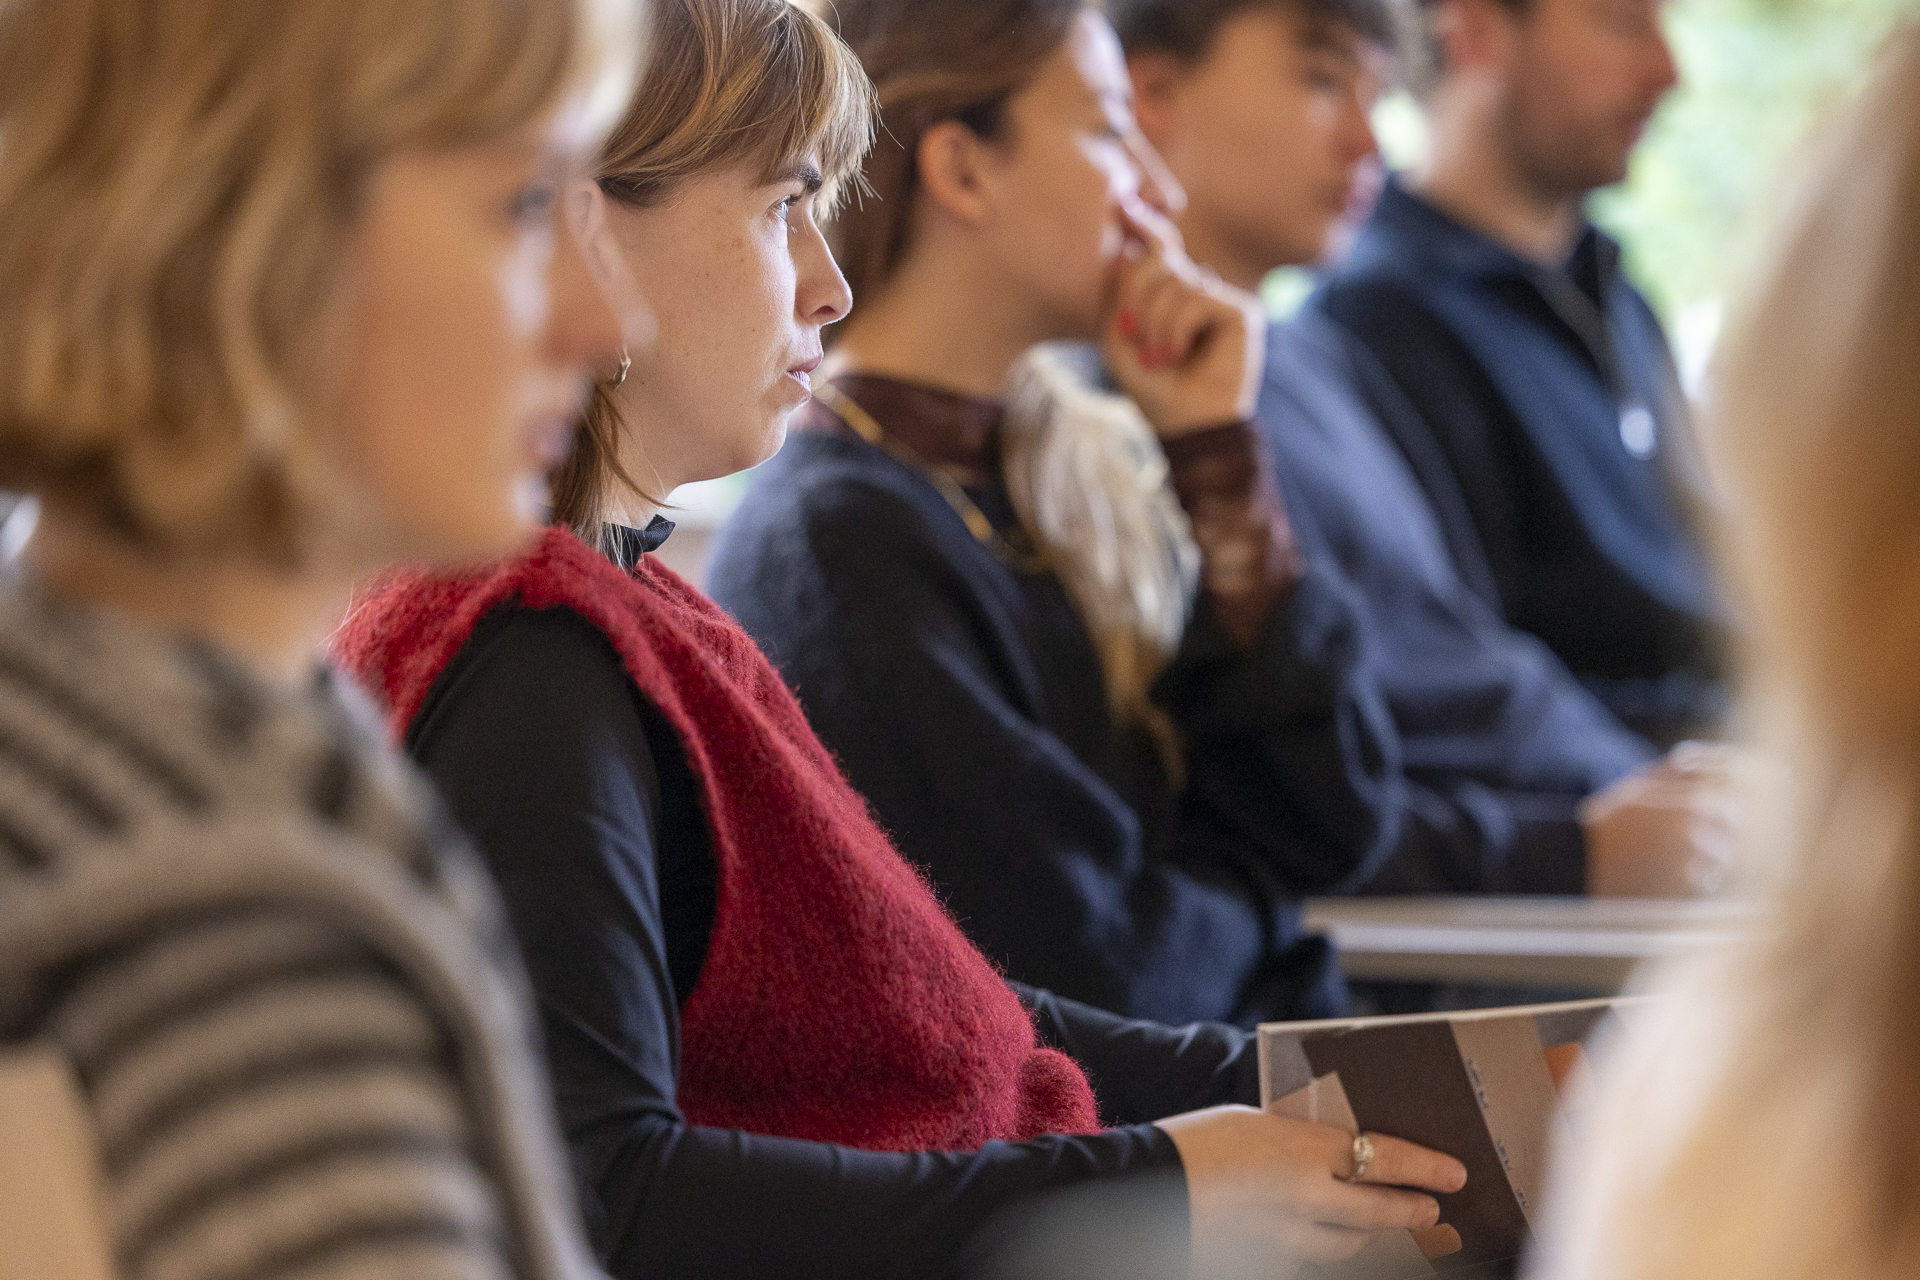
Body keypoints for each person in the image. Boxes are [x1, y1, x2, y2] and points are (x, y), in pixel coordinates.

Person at [334, 2, 1469, 1277]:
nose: (830, 283)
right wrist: (1172, 1175)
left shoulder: (642, 611)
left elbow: (956, 1010)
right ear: (591, 237)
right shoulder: (537, 651)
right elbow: (605, 1194)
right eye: (782, 208)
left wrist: (1328, 1091)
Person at [0, 0, 639, 1278]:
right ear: (237, 225)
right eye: (523, 205)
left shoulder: (89, 732)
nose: (609, 321)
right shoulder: (226, 932)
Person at [706, 0, 1408, 1028]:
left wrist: (1216, 457)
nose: (1161, 192)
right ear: (964, 171)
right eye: (1113, 133)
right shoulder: (836, 549)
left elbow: (1335, 818)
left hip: (1261, 1078)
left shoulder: (1074, 467)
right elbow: (1101, 978)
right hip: (1185, 1115)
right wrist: (1268, 911)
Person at [1106, 0, 1735, 897]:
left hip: (1597, 806)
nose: (1369, 142)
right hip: (1495, 893)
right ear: (1153, 92)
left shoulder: (1322, 363)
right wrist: (1568, 852)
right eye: (1322, 82)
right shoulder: (1139, 410)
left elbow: (1472, 663)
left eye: (1378, 96)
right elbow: (1274, 803)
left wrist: (1670, 789)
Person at [1527, 27, 1920, 1280]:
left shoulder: (1729, 1103)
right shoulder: (1376, 347)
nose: (1671, 71)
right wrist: (1570, 843)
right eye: (1621, 17)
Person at [1311, 0, 1726, 748]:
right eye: (1621, 23)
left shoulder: (1614, 291)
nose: (1667, 73)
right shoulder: (1378, 326)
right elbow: (1468, 696)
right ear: (1476, 31)